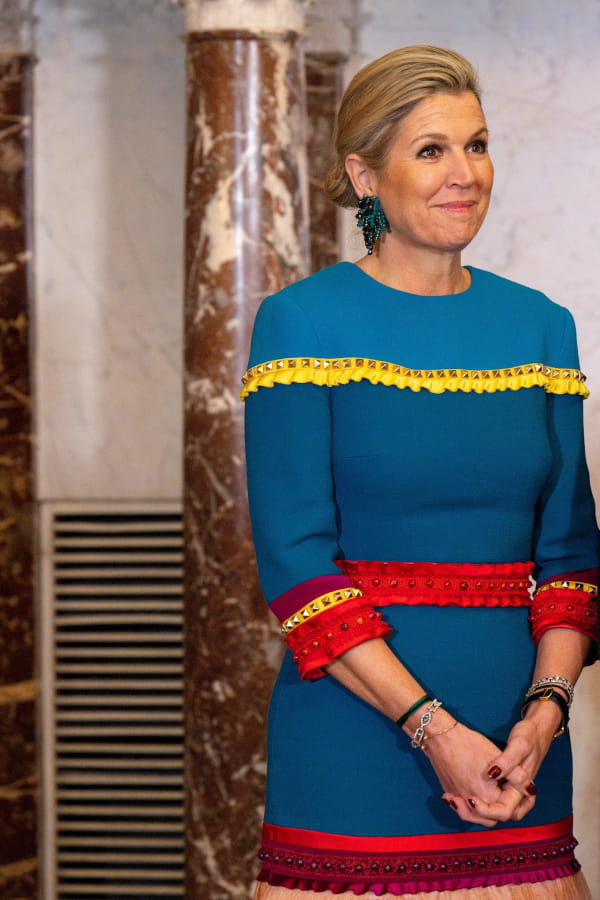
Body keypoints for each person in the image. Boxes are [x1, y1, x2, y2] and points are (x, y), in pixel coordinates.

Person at [241, 45, 599, 900]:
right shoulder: (301, 323)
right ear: (365, 176)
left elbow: (573, 560)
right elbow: (295, 564)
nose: (463, 173)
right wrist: (433, 730)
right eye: (431, 150)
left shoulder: (542, 327)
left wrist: (545, 713)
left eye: (476, 145)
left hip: (518, 753)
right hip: (355, 742)